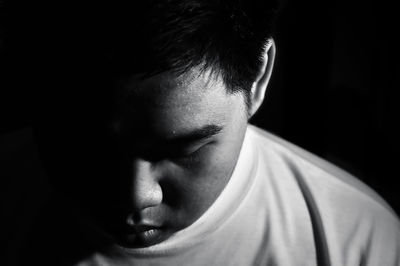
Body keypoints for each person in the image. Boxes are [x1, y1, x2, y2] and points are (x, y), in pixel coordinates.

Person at [12, 0, 399, 265]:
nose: (135, 196)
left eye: (184, 149)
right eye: (86, 147)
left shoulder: (361, 245)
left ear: (259, 77)